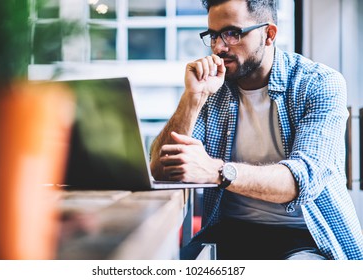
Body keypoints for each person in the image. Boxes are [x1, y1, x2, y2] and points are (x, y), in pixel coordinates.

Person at [150, 0, 363, 260]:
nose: (219, 47)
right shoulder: (214, 88)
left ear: (269, 34)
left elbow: (301, 181)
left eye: (232, 33)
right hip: (228, 234)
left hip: (308, 238)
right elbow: (162, 169)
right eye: (214, 35)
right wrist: (192, 97)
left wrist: (217, 172)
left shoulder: (318, 83)